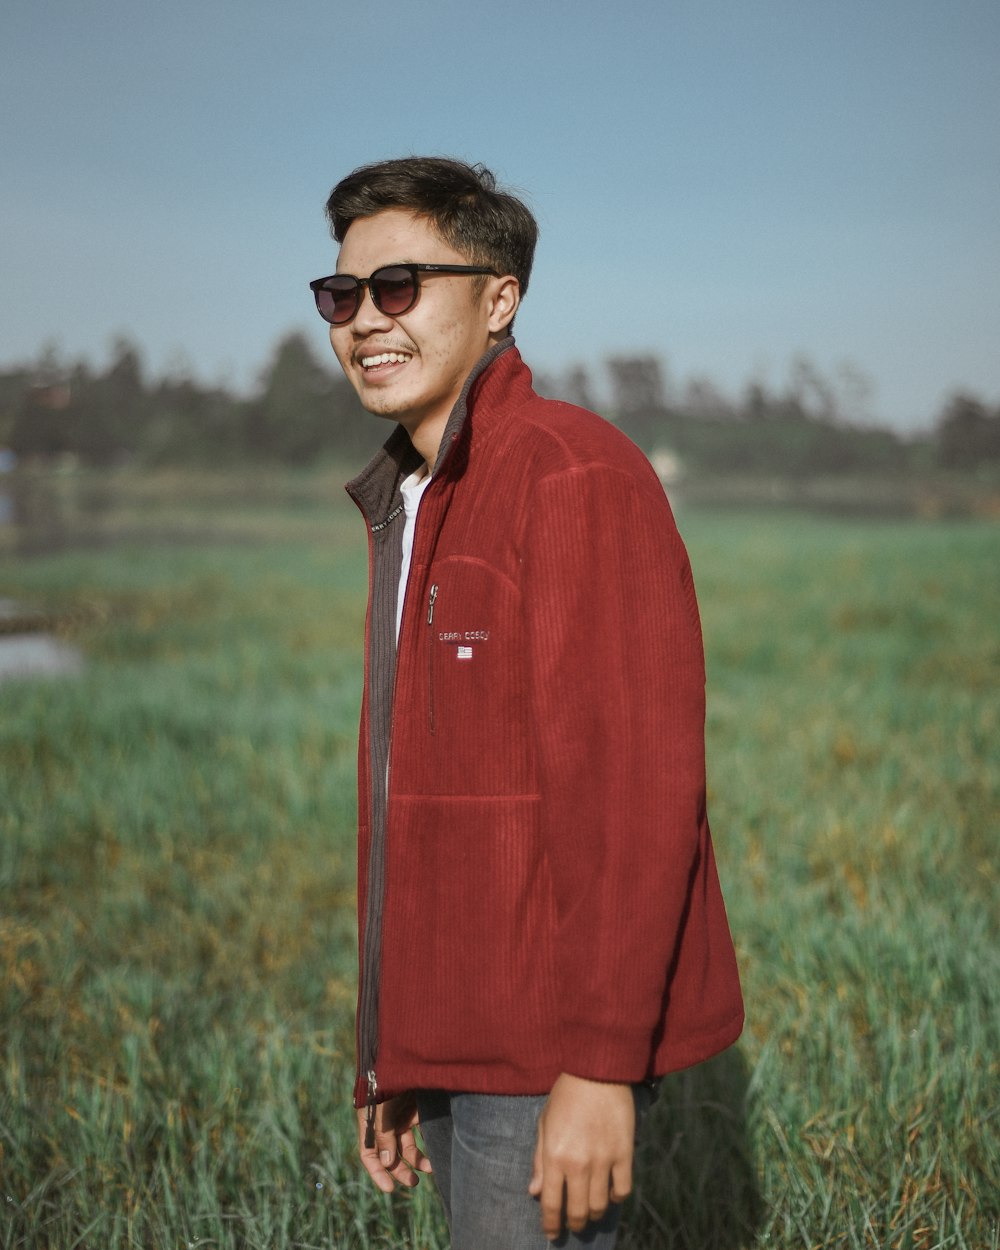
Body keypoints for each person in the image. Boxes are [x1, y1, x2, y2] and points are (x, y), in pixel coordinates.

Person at [310, 156, 744, 1249]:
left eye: (400, 285)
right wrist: (395, 1049)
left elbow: (635, 792)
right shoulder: (415, 497)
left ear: (499, 297)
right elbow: (435, 808)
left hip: (543, 1057)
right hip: (456, 1039)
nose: (365, 319)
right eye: (342, 294)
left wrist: (599, 1068)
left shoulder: (570, 475)